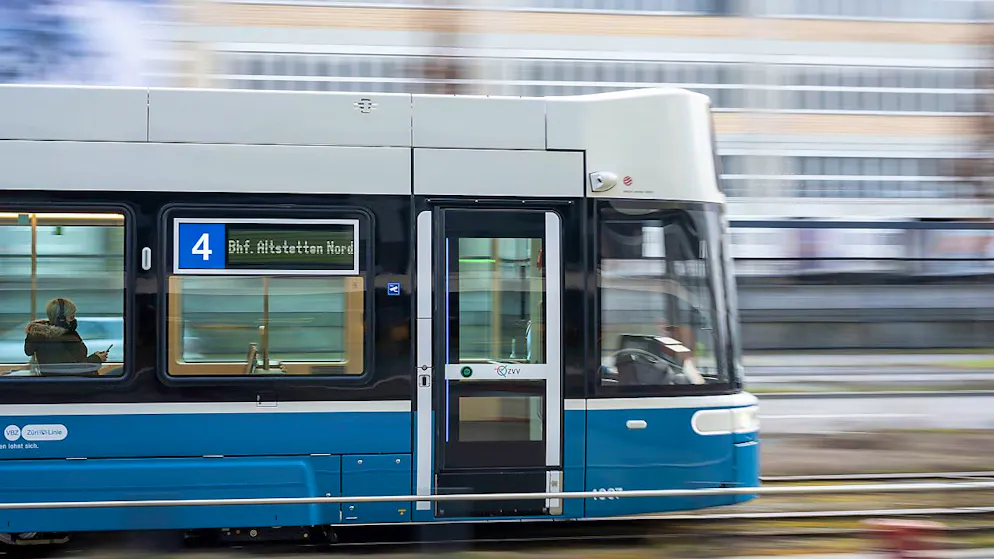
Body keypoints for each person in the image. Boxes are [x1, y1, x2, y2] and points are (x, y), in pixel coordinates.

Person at [23, 298, 108, 366]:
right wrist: (96, 359)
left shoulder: (59, 336)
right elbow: (73, 369)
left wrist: (95, 358)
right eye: (71, 317)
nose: (74, 320)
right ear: (61, 319)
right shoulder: (54, 341)